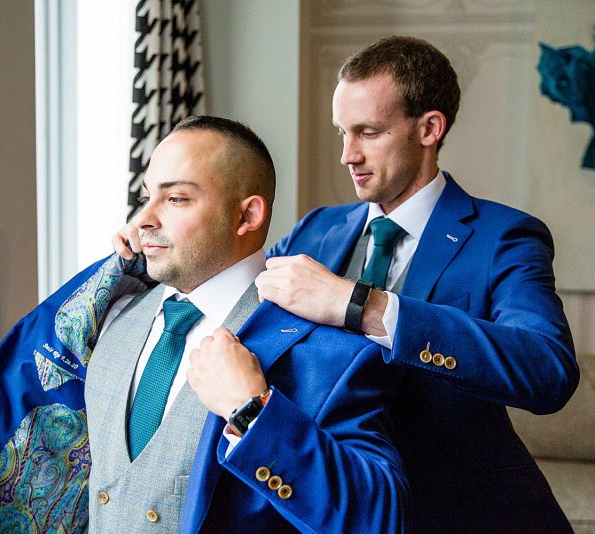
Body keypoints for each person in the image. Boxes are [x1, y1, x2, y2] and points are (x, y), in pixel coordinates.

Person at [0, 116, 408, 533]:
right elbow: (11, 385)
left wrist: (253, 411)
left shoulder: (327, 351)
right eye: (146, 197)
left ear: (248, 215)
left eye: (177, 198)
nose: (143, 220)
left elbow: (381, 516)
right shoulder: (111, 315)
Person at [112, 36, 579, 533]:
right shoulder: (318, 229)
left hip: (461, 516)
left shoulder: (503, 237)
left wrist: (362, 306)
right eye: (342, 132)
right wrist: (143, 254)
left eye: (368, 133)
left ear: (429, 128)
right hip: (327, 505)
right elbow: (233, 279)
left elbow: (547, 369)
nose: (347, 155)